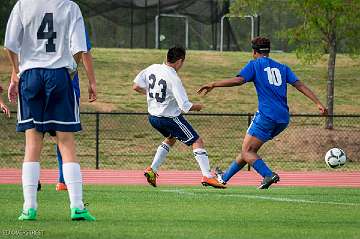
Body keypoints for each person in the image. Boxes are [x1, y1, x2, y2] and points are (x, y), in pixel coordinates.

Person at [5, 0, 96, 220]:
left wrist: (17, 72)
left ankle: (29, 208)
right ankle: (77, 207)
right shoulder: (70, 6)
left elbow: (10, 45)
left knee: (32, 144)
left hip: (31, 75)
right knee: (66, 143)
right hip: (58, 74)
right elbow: (79, 48)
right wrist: (70, 70)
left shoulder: (22, 4)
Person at [198, 37, 327, 189]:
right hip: (283, 119)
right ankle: (223, 178)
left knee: (247, 151)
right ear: (268, 50)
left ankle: (268, 174)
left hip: (266, 116)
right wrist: (318, 103)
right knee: (249, 151)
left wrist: (213, 84)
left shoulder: (254, 64)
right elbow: (299, 85)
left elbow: (239, 80)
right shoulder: (283, 67)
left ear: (254, 52)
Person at [133, 46, 226, 189]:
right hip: (169, 118)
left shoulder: (153, 68)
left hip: (153, 117)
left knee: (171, 138)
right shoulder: (173, 78)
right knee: (197, 141)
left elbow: (136, 86)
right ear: (180, 61)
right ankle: (207, 176)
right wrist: (198, 106)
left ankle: (152, 169)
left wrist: (152, 95)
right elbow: (185, 106)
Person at [33, 29, 96, 192]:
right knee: (64, 136)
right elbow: (84, 51)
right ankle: (63, 182)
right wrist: (92, 82)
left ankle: (33, 180)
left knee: (35, 135)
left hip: (38, 79)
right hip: (65, 82)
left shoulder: (34, 14)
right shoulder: (72, 16)